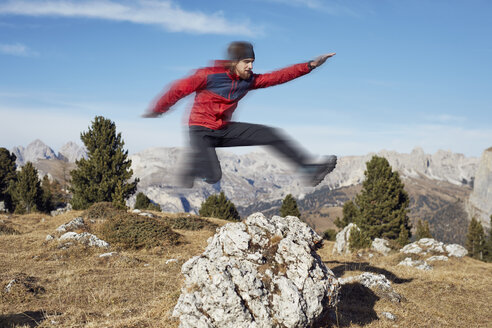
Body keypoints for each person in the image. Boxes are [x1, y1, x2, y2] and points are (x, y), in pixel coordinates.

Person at [143, 41, 337, 188]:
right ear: (234, 62)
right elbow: (178, 89)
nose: (250, 67)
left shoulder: (248, 80)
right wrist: (159, 109)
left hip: (223, 129)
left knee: (270, 134)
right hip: (200, 130)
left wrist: (310, 65)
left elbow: (277, 77)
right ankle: (193, 165)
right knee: (213, 177)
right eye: (246, 62)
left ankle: (308, 169)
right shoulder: (209, 75)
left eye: (252, 62)